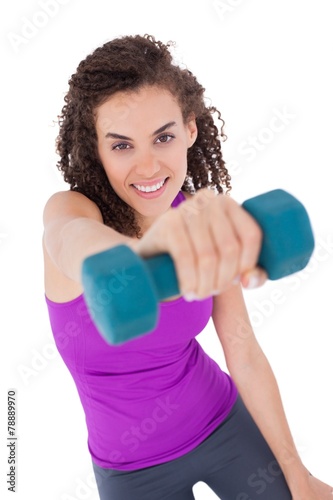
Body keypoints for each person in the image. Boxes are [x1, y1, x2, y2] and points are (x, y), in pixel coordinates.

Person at [43, 34, 332, 499]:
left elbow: (244, 353)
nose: (148, 166)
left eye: (163, 137)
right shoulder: (71, 211)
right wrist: (143, 255)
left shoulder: (199, 220)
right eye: (121, 146)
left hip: (222, 421)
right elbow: (70, 240)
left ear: (190, 130)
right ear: (95, 148)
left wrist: (299, 473)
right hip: (131, 469)